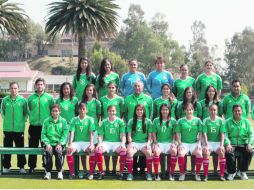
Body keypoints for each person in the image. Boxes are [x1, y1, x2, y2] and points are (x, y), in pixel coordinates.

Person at [27, 78, 54, 173]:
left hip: (45, 127)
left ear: (44, 86)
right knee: (32, 147)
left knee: (46, 147)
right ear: (35, 85)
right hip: (33, 126)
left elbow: (53, 111)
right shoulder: (30, 98)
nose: (40, 86)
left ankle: (46, 166)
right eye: (38, 84)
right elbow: (29, 109)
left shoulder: (49, 98)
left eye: (41, 84)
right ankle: (31, 167)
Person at [94, 105, 127, 180]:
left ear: (116, 112)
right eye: (110, 111)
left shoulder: (120, 122)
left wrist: (123, 144)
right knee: (98, 152)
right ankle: (101, 172)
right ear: (107, 112)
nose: (112, 112)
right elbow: (100, 135)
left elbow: (123, 135)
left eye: (113, 111)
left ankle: (121, 173)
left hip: (117, 142)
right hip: (106, 143)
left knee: (123, 152)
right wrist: (99, 143)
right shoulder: (103, 122)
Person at [1, 82, 27, 174]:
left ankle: (21, 167)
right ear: (9, 89)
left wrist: (21, 122)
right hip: (7, 129)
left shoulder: (23, 100)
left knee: (20, 149)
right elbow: (2, 112)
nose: (13, 90)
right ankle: (6, 166)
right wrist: (7, 121)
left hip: (19, 129)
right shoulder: (5, 100)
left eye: (15, 88)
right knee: (7, 149)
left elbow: (25, 113)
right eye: (12, 88)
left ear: (18, 89)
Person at [100, 82, 124, 174]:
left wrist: (117, 121)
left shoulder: (120, 99)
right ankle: (106, 169)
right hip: (106, 125)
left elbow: (121, 112)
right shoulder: (102, 99)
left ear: (116, 89)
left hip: (116, 124)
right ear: (107, 88)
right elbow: (101, 113)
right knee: (106, 153)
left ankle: (114, 169)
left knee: (115, 153)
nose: (111, 89)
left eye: (113, 87)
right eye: (109, 87)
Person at [66, 103, 95, 179]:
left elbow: (91, 133)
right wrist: (70, 144)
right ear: (78, 110)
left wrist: (91, 144)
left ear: (86, 110)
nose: (82, 110)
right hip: (77, 143)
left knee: (92, 151)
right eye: (80, 109)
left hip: (87, 142)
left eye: (84, 109)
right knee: (69, 150)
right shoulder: (74, 119)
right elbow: (72, 132)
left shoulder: (90, 119)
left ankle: (91, 173)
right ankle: (72, 173)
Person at [175, 103, 203, 181]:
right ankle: (182, 173)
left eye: (190, 110)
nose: (189, 111)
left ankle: (197, 174)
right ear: (184, 111)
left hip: (194, 143)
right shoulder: (180, 121)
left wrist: (199, 143)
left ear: (193, 111)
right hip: (184, 143)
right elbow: (177, 133)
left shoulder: (198, 120)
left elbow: (201, 133)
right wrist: (180, 144)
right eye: (187, 110)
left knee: (199, 154)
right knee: (180, 154)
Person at [225, 104, 253, 181]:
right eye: (235, 111)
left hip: (244, 143)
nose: (237, 112)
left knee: (250, 151)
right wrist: (228, 144)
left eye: (239, 111)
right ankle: (232, 172)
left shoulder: (246, 121)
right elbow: (225, 134)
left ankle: (242, 172)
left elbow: (251, 134)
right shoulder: (227, 122)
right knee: (228, 151)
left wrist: (250, 144)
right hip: (232, 143)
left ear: (242, 111)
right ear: (232, 112)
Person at [126, 104, 153, 181]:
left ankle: (148, 173)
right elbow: (129, 135)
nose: (139, 111)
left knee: (149, 153)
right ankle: (130, 174)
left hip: (144, 143)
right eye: (137, 110)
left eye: (141, 110)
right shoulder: (131, 121)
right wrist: (130, 143)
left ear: (143, 111)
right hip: (134, 143)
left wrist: (148, 143)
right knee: (130, 153)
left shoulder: (148, 121)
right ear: (135, 111)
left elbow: (150, 136)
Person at [41, 104, 68, 180]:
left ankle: (59, 172)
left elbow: (65, 134)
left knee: (59, 151)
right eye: (53, 111)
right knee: (48, 152)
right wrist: (47, 143)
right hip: (49, 143)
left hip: (59, 143)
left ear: (59, 112)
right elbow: (43, 134)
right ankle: (48, 172)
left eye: (56, 111)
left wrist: (60, 143)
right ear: (51, 112)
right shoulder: (46, 121)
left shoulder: (63, 121)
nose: (55, 113)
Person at [152, 104, 177, 181]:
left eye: (166, 109)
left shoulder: (173, 120)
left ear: (169, 111)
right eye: (163, 109)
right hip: (159, 142)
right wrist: (155, 142)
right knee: (156, 151)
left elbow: (174, 133)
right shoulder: (156, 120)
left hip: (169, 142)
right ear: (160, 110)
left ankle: (171, 173)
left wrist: (173, 142)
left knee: (174, 151)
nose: (165, 111)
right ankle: (156, 174)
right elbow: (153, 133)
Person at [81, 84, 101, 177]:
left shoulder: (97, 102)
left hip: (94, 129)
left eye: (91, 90)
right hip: (83, 129)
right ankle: (85, 169)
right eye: (88, 90)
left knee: (94, 150)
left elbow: (98, 116)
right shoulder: (82, 102)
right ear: (85, 91)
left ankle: (94, 169)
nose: (89, 92)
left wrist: (94, 125)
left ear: (93, 92)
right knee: (83, 151)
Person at [202, 104, 226, 181]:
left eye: (215, 110)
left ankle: (222, 175)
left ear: (217, 111)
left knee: (222, 152)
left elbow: (222, 134)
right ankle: (206, 175)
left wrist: (221, 145)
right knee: (206, 153)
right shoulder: (205, 120)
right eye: (211, 110)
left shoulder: (221, 120)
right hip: (208, 142)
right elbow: (204, 134)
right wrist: (206, 145)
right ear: (209, 110)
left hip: (217, 142)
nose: (213, 111)